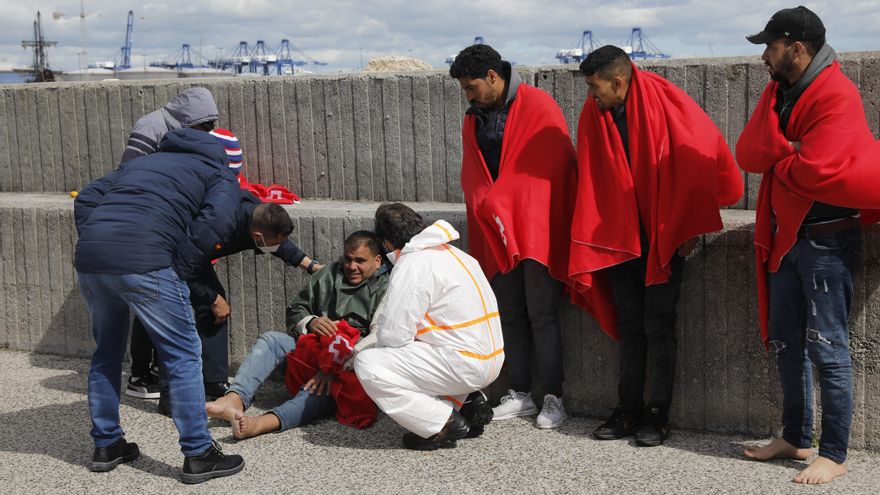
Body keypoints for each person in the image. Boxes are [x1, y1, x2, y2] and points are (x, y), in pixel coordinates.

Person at [570, 45, 743, 446]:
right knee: (629, 325)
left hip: (661, 233)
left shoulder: (665, 100)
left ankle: (656, 413)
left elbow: (702, 153)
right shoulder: (593, 113)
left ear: (618, 82)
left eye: (596, 87)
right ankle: (628, 409)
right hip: (617, 237)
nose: (590, 96)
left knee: (659, 326)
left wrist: (686, 228)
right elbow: (592, 175)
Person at [736, 6, 880, 484]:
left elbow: (822, 171)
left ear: (796, 48)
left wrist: (785, 160)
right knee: (787, 345)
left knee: (829, 349)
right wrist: (789, 153)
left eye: (770, 46)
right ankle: (796, 437)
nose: (763, 56)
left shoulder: (836, 92)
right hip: (785, 239)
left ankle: (834, 453)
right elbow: (750, 151)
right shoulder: (779, 91)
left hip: (827, 241)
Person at [74, 126, 245, 483]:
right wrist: (180, 265)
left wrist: (100, 239)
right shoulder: (219, 173)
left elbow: (86, 198)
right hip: (148, 260)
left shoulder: (142, 163)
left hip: (92, 261)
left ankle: (107, 444)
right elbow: (218, 221)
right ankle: (198, 453)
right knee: (182, 355)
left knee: (106, 353)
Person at [450, 43, 599, 429]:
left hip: (536, 226)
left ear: (493, 77)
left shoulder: (538, 105)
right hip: (496, 229)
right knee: (509, 313)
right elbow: (475, 172)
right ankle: (519, 393)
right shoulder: (473, 117)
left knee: (542, 313)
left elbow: (554, 165)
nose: (468, 95)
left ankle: (553, 397)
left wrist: (506, 197)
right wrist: (491, 200)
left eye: (471, 87)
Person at [152, 128, 321, 415]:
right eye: (270, 242)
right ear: (256, 236)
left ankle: (214, 381)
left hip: (194, 257)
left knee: (216, 310)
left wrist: (311, 266)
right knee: (180, 319)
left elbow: (278, 242)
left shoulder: (257, 214)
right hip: (169, 255)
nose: (275, 246)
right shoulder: (219, 224)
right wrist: (212, 297)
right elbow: (182, 267)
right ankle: (172, 397)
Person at [206, 231, 389, 439]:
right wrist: (311, 322)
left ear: (377, 261)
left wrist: (332, 366)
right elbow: (296, 310)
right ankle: (235, 398)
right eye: (348, 259)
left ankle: (262, 423)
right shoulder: (329, 274)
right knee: (272, 340)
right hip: (309, 352)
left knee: (322, 389)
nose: (352, 267)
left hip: (345, 370)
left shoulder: (386, 288)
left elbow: (379, 338)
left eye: (360, 261)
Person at [354, 203, 503, 450]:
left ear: (387, 243)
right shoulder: (457, 254)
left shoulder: (413, 263)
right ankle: (466, 403)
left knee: (369, 363)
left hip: (465, 364)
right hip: (490, 360)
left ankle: (442, 423)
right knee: (421, 340)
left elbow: (394, 336)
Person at [122, 87, 221, 400]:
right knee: (153, 300)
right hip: (148, 223)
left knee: (157, 298)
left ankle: (155, 374)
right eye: (203, 128)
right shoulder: (151, 127)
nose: (206, 134)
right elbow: (129, 173)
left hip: (167, 220)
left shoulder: (179, 128)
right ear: (189, 120)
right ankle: (140, 375)